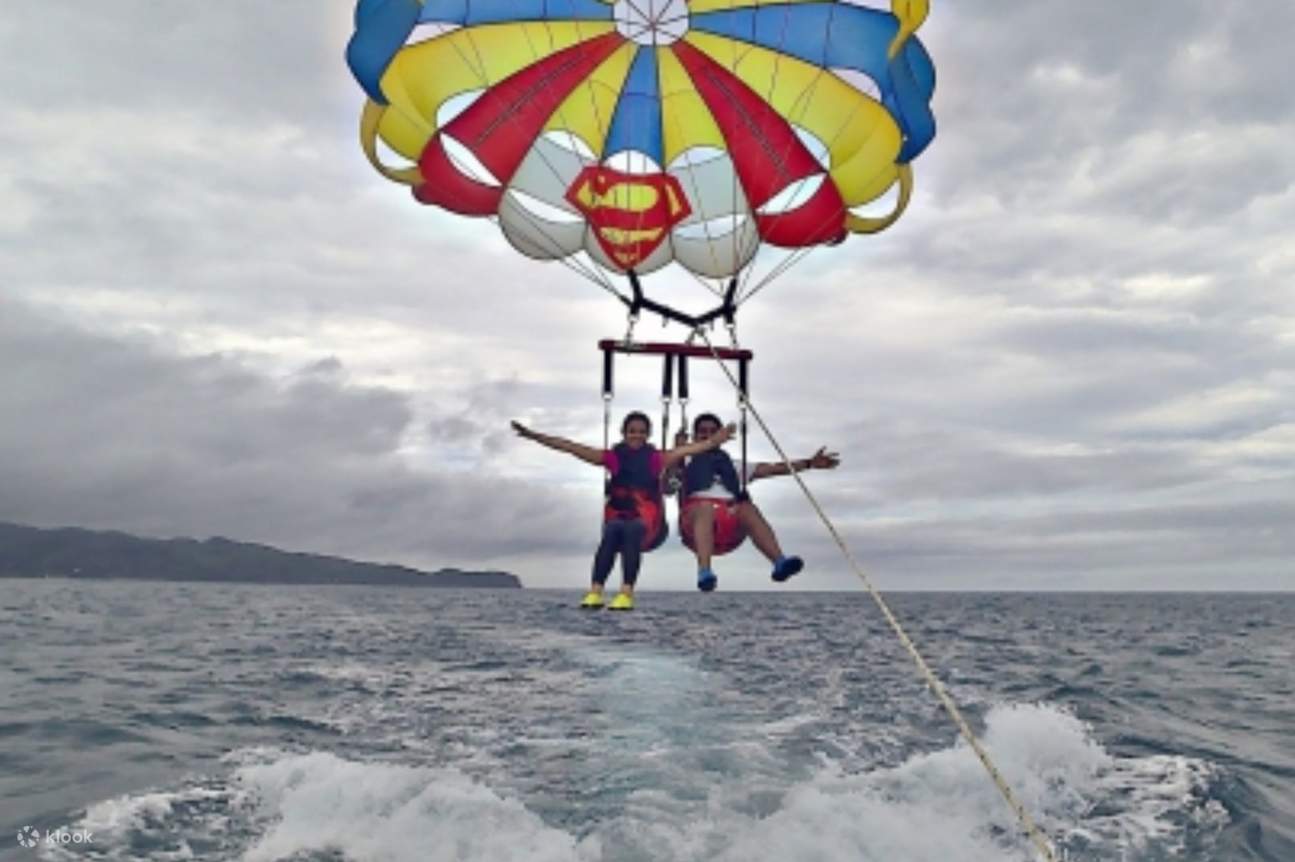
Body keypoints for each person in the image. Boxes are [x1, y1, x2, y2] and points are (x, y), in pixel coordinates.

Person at [512, 411, 735, 610]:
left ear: (648, 434)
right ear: (624, 433)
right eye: (632, 431)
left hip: (649, 523)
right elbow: (571, 447)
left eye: (641, 432)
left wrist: (716, 440)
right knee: (613, 531)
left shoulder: (657, 458)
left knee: (632, 530)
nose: (636, 436)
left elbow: (694, 448)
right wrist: (534, 436)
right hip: (618, 514)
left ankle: (626, 593)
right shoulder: (612, 457)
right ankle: (595, 592)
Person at [675, 412, 840, 591]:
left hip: (729, 527)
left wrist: (809, 463)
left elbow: (773, 469)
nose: (707, 435)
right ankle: (704, 571)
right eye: (702, 432)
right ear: (694, 435)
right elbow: (667, 484)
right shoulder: (684, 460)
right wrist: (677, 452)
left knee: (746, 507)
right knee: (705, 508)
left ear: (721, 435)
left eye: (713, 431)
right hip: (696, 521)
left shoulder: (734, 465)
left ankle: (779, 562)